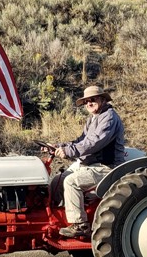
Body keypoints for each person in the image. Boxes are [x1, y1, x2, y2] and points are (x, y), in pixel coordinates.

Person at [53, 85, 126, 238]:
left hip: (106, 167)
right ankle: (56, 217)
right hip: (91, 165)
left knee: (71, 182)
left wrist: (69, 151)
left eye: (92, 99)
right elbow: (81, 140)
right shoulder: (93, 118)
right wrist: (60, 147)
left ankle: (80, 225)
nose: (89, 103)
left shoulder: (109, 117)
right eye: (86, 101)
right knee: (56, 181)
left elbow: (94, 142)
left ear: (103, 99)